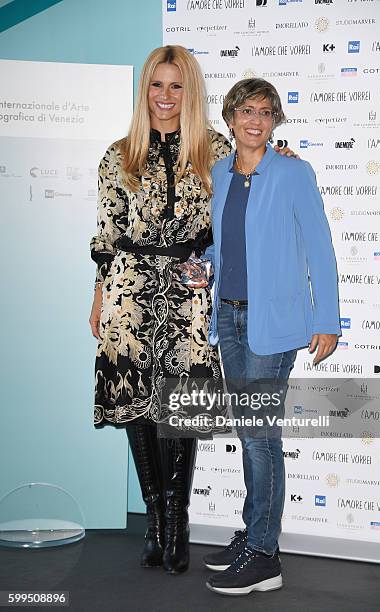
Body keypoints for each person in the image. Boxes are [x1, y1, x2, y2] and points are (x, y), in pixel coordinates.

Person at [89, 47, 295, 575]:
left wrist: (282, 160)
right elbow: (108, 233)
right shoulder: (118, 154)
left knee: (180, 406)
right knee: (137, 406)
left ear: (191, 92)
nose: (165, 96)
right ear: (145, 90)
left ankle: (178, 522)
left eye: (176, 86)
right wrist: (99, 296)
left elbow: (255, 184)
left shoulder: (216, 149)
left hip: (190, 291)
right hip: (129, 292)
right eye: (156, 85)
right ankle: (155, 523)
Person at [202, 78, 340, 595]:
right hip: (230, 321)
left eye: (264, 112)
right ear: (231, 117)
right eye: (245, 111)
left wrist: (328, 319)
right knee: (250, 435)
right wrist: (206, 268)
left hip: (274, 324)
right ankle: (256, 536)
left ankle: (264, 555)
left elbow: (320, 249)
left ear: (275, 120)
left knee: (261, 438)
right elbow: (227, 245)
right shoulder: (220, 172)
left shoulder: (293, 172)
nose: (255, 121)